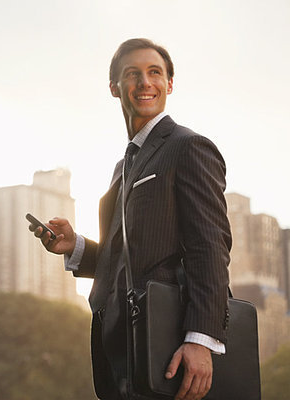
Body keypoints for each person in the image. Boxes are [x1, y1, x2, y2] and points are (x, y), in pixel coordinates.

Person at [30, 38, 231, 400]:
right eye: (132, 74)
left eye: (155, 73)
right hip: (121, 350)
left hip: (168, 348)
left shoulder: (188, 147)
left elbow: (210, 248)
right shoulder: (123, 167)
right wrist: (75, 247)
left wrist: (200, 340)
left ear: (169, 84)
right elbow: (129, 259)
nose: (145, 82)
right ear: (114, 87)